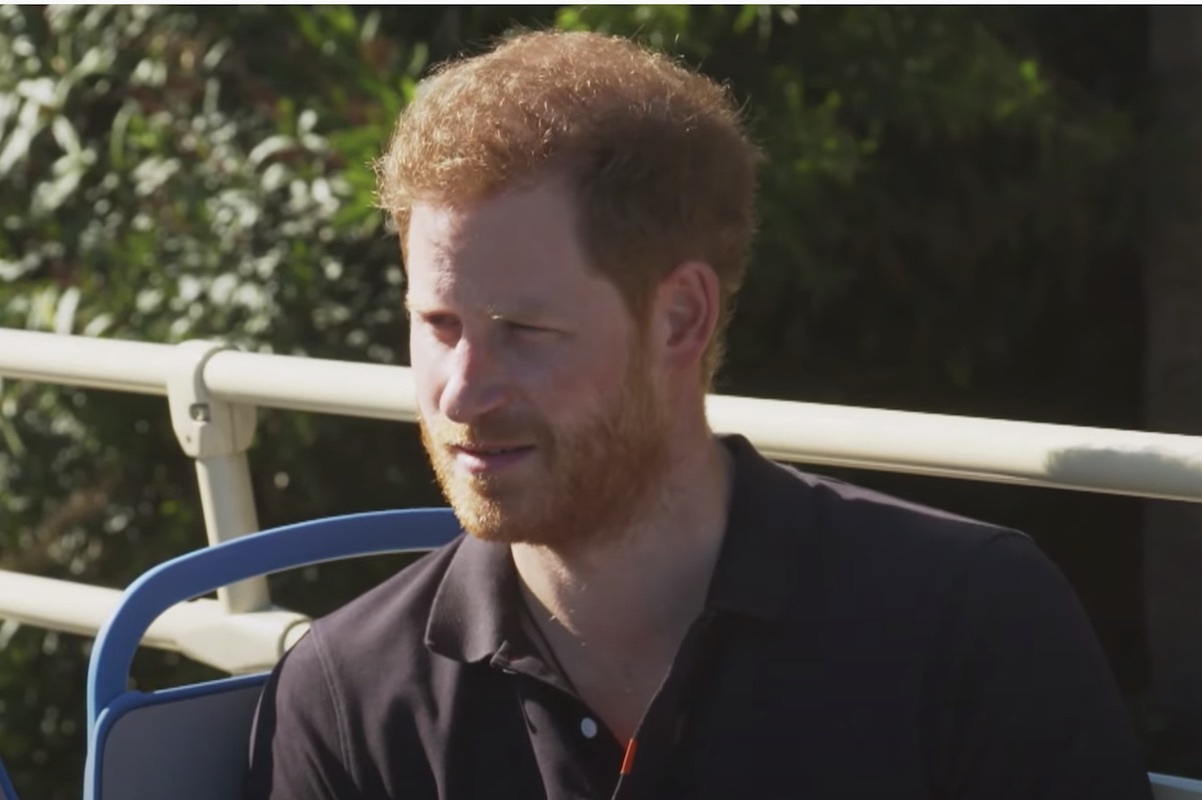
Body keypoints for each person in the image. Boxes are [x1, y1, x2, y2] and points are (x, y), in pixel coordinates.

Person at [243, 29, 1153, 800]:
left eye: (525, 329)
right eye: (437, 325)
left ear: (681, 318)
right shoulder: (349, 693)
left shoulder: (968, 626)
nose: (461, 391)